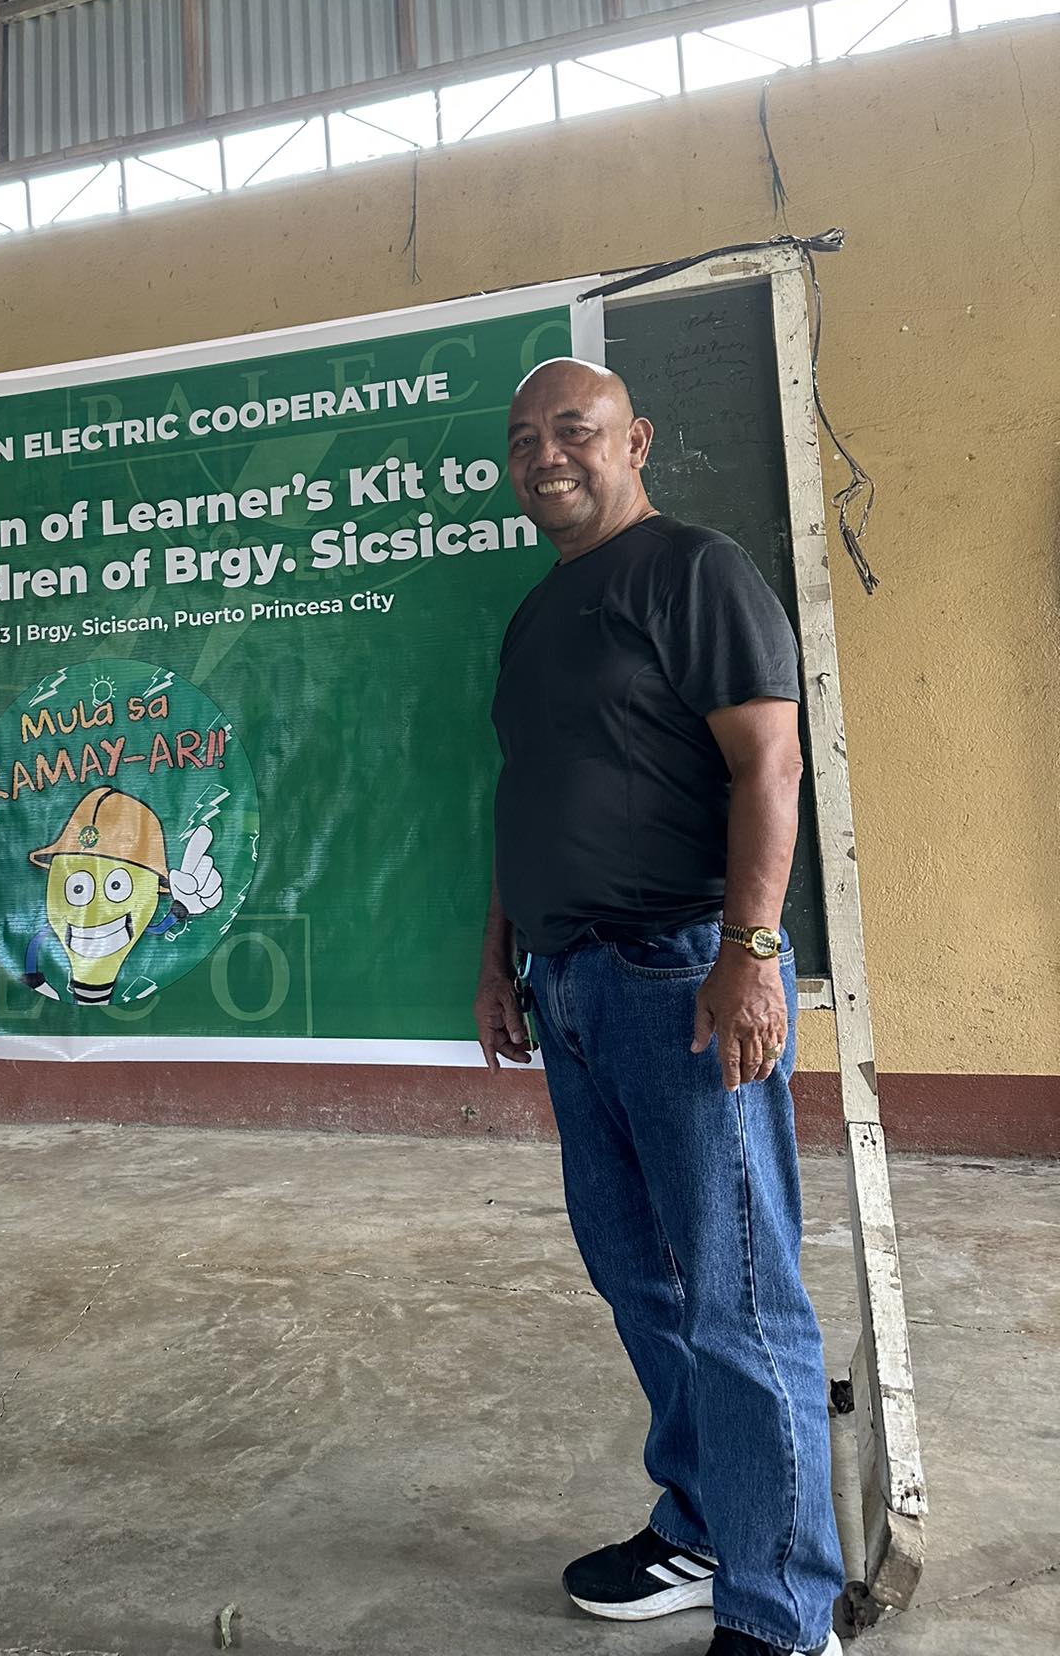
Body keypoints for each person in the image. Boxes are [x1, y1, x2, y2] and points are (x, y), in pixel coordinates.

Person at [475, 359, 843, 1656]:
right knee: (644, 1281)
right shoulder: (537, 616)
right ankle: (701, 1522)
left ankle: (788, 1610)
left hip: (683, 977)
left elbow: (772, 764)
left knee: (740, 1298)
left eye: (572, 431)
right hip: (571, 983)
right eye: (523, 441)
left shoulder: (695, 572)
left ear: (636, 440)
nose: (545, 457)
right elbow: (534, 793)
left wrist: (752, 954)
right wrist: (499, 956)